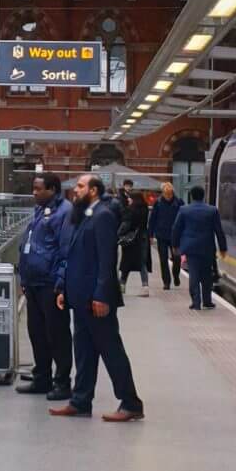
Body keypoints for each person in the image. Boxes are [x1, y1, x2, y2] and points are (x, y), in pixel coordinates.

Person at [50, 174, 144, 423]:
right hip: (80, 298)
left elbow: (106, 260)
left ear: (93, 190)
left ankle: (131, 403)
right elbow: (74, 255)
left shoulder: (102, 216)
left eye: (80, 186)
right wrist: (64, 289)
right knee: (84, 352)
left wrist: (101, 295)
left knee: (111, 350)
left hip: (96, 299)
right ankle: (80, 401)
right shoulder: (84, 215)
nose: (75, 190)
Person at [16, 174, 73, 399]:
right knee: (37, 332)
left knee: (57, 334)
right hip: (34, 282)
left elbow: (65, 250)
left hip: (50, 283)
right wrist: (24, 276)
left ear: (52, 189)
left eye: (38, 189)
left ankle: (62, 382)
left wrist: (60, 281)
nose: (34, 193)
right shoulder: (41, 210)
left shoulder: (65, 212)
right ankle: (42, 377)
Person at [171, 185, 227, 311]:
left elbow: (176, 228)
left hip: (191, 248)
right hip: (207, 247)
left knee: (194, 275)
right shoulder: (212, 210)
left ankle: (196, 302)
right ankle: (207, 301)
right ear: (203, 196)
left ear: (191, 196)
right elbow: (219, 231)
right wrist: (223, 248)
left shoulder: (184, 210)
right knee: (207, 275)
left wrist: (175, 245)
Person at [147, 182, 183, 291]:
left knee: (177, 258)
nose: (168, 196)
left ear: (172, 192)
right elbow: (152, 219)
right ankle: (166, 282)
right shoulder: (158, 203)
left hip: (175, 235)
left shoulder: (179, 203)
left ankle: (176, 275)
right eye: (166, 194)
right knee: (163, 259)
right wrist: (150, 234)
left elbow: (184, 218)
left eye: (170, 194)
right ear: (163, 193)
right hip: (161, 234)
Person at [117, 191, 150, 296]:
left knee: (126, 263)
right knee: (142, 263)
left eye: (130, 198)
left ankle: (122, 286)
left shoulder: (130, 210)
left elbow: (126, 225)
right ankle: (145, 287)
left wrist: (118, 233)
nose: (128, 200)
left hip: (130, 240)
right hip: (143, 238)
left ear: (134, 199)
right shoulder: (145, 209)